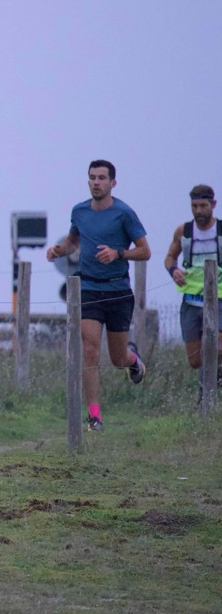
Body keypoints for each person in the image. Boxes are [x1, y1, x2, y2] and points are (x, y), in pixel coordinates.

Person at [45, 160, 151, 431]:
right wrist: (59, 250)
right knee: (90, 350)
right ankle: (94, 417)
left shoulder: (124, 213)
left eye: (102, 178)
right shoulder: (79, 211)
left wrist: (118, 253)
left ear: (112, 183)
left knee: (117, 359)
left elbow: (145, 251)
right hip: (89, 289)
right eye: (92, 177)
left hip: (118, 290)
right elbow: (73, 242)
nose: (96, 182)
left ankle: (132, 359)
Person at [163, 184, 222, 391]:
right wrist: (174, 271)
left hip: (219, 299)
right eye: (194, 206)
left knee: (216, 347)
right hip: (191, 300)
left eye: (203, 206)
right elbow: (170, 257)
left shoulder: (220, 230)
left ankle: (207, 392)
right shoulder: (184, 231)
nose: (198, 211)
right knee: (195, 360)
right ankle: (211, 382)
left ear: (213, 204)